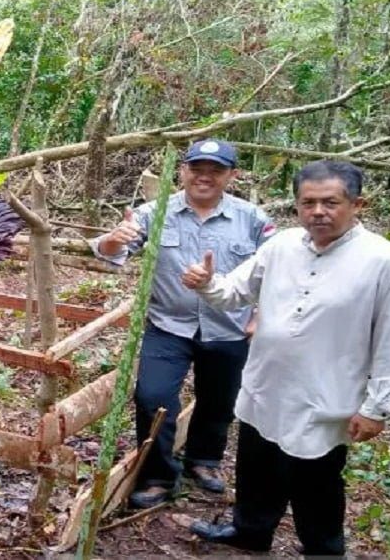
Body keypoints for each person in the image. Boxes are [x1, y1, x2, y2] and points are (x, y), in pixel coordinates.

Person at [182, 160, 390, 555]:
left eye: (330, 202)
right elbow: (234, 293)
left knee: (316, 482)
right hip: (265, 385)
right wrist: (206, 284)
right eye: (308, 203)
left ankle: (323, 550)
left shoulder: (383, 260)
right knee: (256, 467)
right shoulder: (282, 245)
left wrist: (376, 407)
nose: (318, 212)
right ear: (297, 206)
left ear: (357, 204)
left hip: (325, 396)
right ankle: (250, 532)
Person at [90, 139, 275, 508]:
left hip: (229, 327)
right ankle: (157, 476)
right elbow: (113, 251)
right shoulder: (153, 213)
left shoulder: (253, 219)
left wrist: (260, 315)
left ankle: (204, 460)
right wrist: (112, 240)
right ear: (183, 171)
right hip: (168, 324)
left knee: (219, 399)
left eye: (215, 170)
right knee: (152, 397)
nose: (204, 177)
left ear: (232, 175)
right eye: (196, 168)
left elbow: (278, 271)